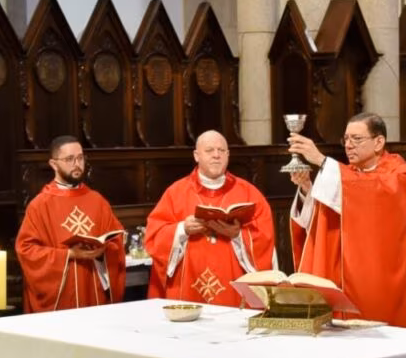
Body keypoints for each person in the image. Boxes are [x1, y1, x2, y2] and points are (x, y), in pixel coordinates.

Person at [287, 112, 406, 327]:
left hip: (375, 277)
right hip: (341, 274)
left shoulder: (402, 175)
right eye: (346, 139)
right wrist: (307, 189)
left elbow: (372, 194)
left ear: (379, 142)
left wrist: (321, 160)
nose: (349, 145)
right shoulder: (347, 174)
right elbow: (328, 217)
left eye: (357, 139)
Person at [146, 130, 275, 307]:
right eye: (209, 150)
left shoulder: (249, 193)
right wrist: (182, 229)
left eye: (221, 151)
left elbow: (265, 239)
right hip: (187, 289)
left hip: (234, 291)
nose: (216, 155)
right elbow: (154, 237)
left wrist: (237, 235)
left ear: (228, 155)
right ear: (196, 156)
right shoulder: (175, 193)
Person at [16, 135, 126, 311]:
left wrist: (101, 252)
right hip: (60, 301)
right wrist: (69, 255)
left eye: (80, 158)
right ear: (53, 164)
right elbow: (26, 250)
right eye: (69, 159)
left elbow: (116, 243)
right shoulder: (40, 205)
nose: (77, 164)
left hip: (94, 292)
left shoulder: (97, 201)